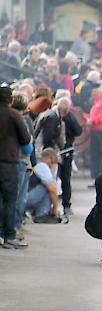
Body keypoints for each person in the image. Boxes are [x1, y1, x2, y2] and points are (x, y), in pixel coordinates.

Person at [0, 84, 31, 248]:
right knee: (10, 200)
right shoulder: (13, 115)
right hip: (8, 161)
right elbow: (25, 139)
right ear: (10, 100)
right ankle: (8, 235)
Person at [25, 148, 61, 223]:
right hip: (27, 198)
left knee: (49, 187)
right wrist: (55, 208)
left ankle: (41, 213)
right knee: (48, 188)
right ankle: (41, 214)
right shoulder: (42, 166)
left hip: (27, 196)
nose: (52, 164)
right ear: (46, 157)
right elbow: (53, 189)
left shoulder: (38, 165)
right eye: (52, 160)